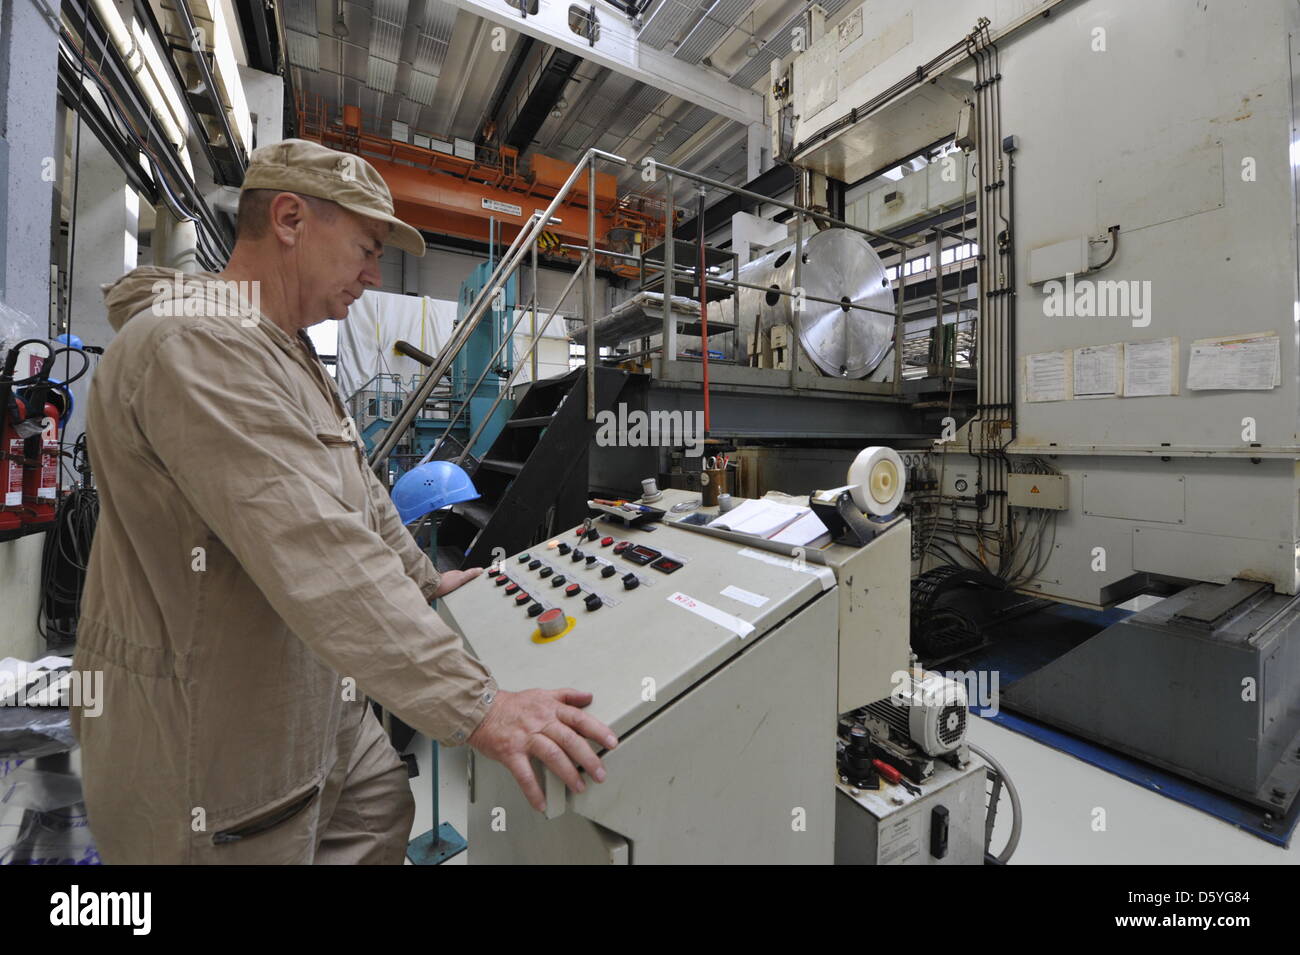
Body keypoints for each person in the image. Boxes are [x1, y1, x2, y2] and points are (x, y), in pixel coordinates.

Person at [70, 138, 616, 864]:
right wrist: (479, 705)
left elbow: (360, 495)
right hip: (219, 740)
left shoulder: (287, 352)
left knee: (380, 804)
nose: (372, 274)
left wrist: (426, 583)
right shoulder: (195, 347)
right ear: (291, 220)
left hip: (319, 701)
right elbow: (315, 548)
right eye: (364, 248)